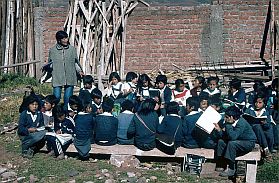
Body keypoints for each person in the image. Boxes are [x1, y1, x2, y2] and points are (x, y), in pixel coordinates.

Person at [214, 106, 256, 177]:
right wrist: (219, 130)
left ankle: (231, 168)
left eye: (227, 117)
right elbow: (226, 136)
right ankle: (222, 162)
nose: (225, 119)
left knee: (232, 143)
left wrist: (228, 125)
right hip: (238, 141)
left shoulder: (241, 123)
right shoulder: (229, 121)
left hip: (248, 142)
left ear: (234, 118)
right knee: (221, 141)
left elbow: (232, 137)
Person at [48, 30, 84, 110]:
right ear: (59, 40)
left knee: (68, 98)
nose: (65, 40)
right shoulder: (53, 50)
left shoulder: (72, 49)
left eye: (66, 38)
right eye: (63, 39)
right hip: (57, 76)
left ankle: (65, 112)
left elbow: (75, 62)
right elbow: (50, 63)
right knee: (56, 97)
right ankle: (54, 111)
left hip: (70, 75)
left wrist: (79, 71)